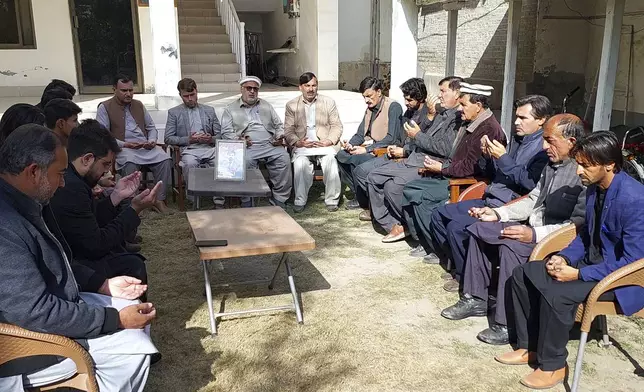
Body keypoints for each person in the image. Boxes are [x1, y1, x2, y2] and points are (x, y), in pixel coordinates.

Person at [0, 124, 157, 392]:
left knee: (133, 306)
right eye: (59, 173)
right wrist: (114, 321)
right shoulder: (6, 225)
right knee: (137, 348)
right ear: (34, 172)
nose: (63, 182)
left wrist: (101, 284)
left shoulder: (26, 202)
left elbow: (57, 263)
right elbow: (37, 312)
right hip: (28, 344)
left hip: (57, 308)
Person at [496, 131, 644, 390]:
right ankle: (528, 346)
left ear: (609, 165)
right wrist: (563, 257)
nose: (578, 171)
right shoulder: (594, 188)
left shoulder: (635, 200)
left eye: (585, 165)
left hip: (622, 279)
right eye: (578, 163)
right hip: (590, 264)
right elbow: (585, 235)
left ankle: (553, 366)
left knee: (558, 294)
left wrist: (578, 275)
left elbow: (633, 260)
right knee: (524, 274)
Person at [441, 114, 587, 347]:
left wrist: (535, 235)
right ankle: (475, 298)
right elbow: (533, 198)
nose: (544, 146)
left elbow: (577, 225)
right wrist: (499, 214)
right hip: (533, 229)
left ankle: (507, 322)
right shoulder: (552, 164)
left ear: (571, 141)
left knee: (512, 245)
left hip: (557, 241)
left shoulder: (583, 172)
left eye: (551, 140)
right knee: (480, 228)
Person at [426, 95, 553, 289]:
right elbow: (495, 172)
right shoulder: (517, 140)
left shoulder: (543, 150)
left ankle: (467, 277)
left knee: (457, 227)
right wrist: (488, 157)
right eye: (516, 117)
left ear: (541, 120)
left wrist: (502, 158)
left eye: (523, 118)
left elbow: (529, 183)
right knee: (439, 214)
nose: (516, 122)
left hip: (510, 205)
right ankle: (460, 266)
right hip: (491, 197)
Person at [49, 119, 161, 287]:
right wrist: (134, 209)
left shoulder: (75, 180)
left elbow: (91, 220)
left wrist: (116, 196)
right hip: (72, 266)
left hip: (76, 257)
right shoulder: (71, 188)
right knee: (133, 266)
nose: (107, 171)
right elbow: (97, 245)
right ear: (87, 159)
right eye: (105, 164)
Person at [395, 82, 506, 243]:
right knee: (410, 189)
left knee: (423, 198)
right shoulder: (470, 121)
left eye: (463, 104)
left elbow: (470, 167)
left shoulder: (488, 129)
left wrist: (442, 168)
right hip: (451, 173)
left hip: (464, 182)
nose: (460, 109)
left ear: (478, 105)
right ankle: (422, 239)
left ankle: (436, 246)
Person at [363, 77, 463, 233]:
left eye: (443, 91)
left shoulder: (458, 118)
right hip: (413, 156)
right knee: (373, 176)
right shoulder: (442, 112)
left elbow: (443, 148)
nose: (439, 95)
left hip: (427, 163)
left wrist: (417, 135)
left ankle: (409, 227)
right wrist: (428, 121)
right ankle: (392, 224)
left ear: (457, 93)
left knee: (393, 185)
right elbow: (425, 135)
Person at [352, 77, 434, 219]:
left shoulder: (430, 116)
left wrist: (404, 151)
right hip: (396, 153)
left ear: (420, 98)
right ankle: (374, 206)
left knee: (374, 175)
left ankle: (382, 213)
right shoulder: (408, 113)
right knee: (361, 170)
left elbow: (425, 143)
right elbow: (399, 137)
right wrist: (394, 147)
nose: (406, 103)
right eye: (405, 99)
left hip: (411, 158)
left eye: (409, 100)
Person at [97, 74, 172, 213]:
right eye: (124, 90)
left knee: (165, 159)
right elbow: (103, 135)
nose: (128, 94)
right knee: (129, 163)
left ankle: (158, 200)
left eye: (131, 90)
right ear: (114, 89)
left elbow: (151, 127)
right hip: (124, 148)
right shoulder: (105, 107)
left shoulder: (138, 105)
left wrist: (152, 140)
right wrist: (124, 145)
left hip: (145, 146)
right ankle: (135, 203)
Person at [220, 76, 292, 208]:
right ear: (242, 89)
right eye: (249, 88)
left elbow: (278, 125)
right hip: (247, 147)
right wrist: (239, 140)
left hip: (269, 144)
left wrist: (279, 136)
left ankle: (279, 199)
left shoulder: (266, 105)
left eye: (255, 89)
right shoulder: (230, 109)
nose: (252, 91)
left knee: (284, 157)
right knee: (244, 161)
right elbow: (225, 132)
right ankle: (247, 200)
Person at [336, 77, 404, 210]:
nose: (367, 100)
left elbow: (392, 138)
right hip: (373, 147)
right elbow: (360, 134)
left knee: (356, 158)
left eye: (369, 96)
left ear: (379, 92)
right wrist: (350, 144)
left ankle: (364, 198)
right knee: (342, 155)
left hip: (386, 151)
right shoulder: (369, 109)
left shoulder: (393, 107)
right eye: (364, 97)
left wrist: (366, 150)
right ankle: (359, 192)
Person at [284, 72, 343, 213]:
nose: (311, 89)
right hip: (303, 146)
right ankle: (300, 200)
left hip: (323, 144)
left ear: (317, 87)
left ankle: (332, 200)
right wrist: (298, 142)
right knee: (300, 163)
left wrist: (329, 140)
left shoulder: (328, 102)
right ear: (300, 87)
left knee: (330, 160)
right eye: (307, 86)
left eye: (314, 85)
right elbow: (288, 130)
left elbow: (337, 126)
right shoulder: (292, 105)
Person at [164, 78, 224, 208]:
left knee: (220, 162)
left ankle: (219, 201)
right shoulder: (174, 113)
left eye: (192, 95)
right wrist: (188, 139)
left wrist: (211, 139)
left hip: (208, 147)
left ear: (197, 92)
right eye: (186, 96)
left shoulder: (209, 110)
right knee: (190, 164)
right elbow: (168, 138)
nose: (190, 99)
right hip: (188, 150)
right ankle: (194, 201)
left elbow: (220, 135)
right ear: (180, 95)